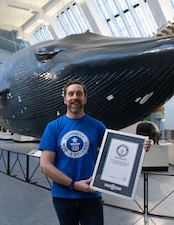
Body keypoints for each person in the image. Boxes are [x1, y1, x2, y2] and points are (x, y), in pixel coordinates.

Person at [39, 80, 151, 225]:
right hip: (63, 196)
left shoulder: (97, 126)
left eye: (79, 94)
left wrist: (139, 148)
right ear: (65, 99)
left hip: (91, 195)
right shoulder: (53, 127)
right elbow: (45, 166)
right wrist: (74, 184)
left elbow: (115, 152)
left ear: (85, 99)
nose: (75, 97)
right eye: (71, 94)